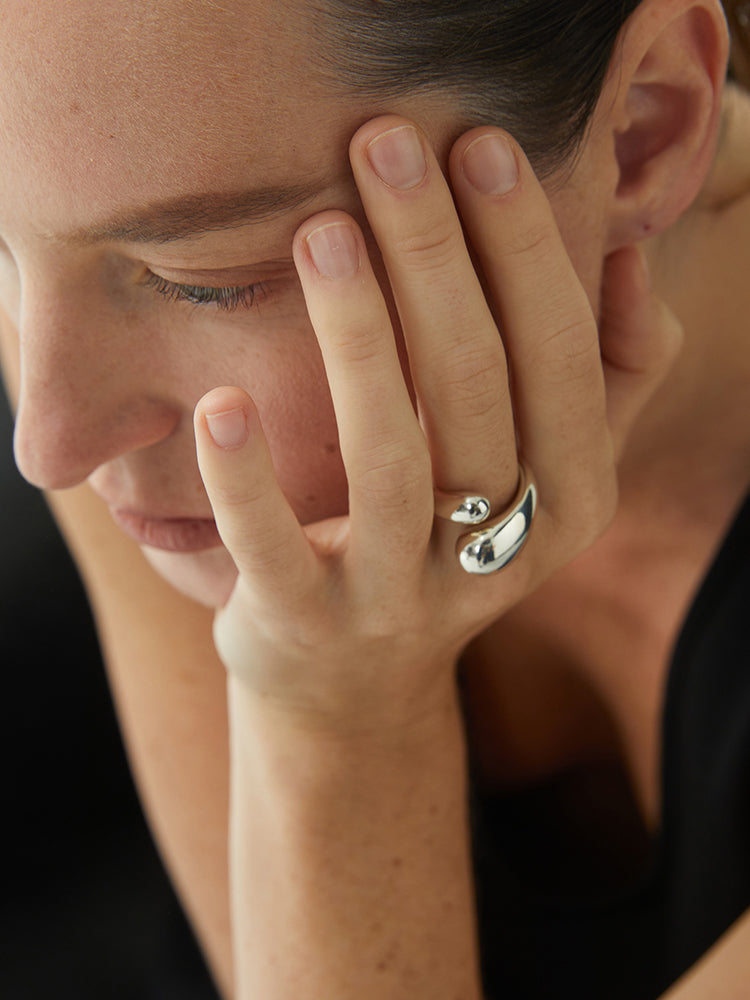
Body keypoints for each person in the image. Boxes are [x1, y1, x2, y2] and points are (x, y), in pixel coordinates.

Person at [0, 0, 748, 997]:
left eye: (205, 282)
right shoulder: (84, 294)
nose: (49, 445)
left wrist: (334, 709)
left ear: (644, 128)